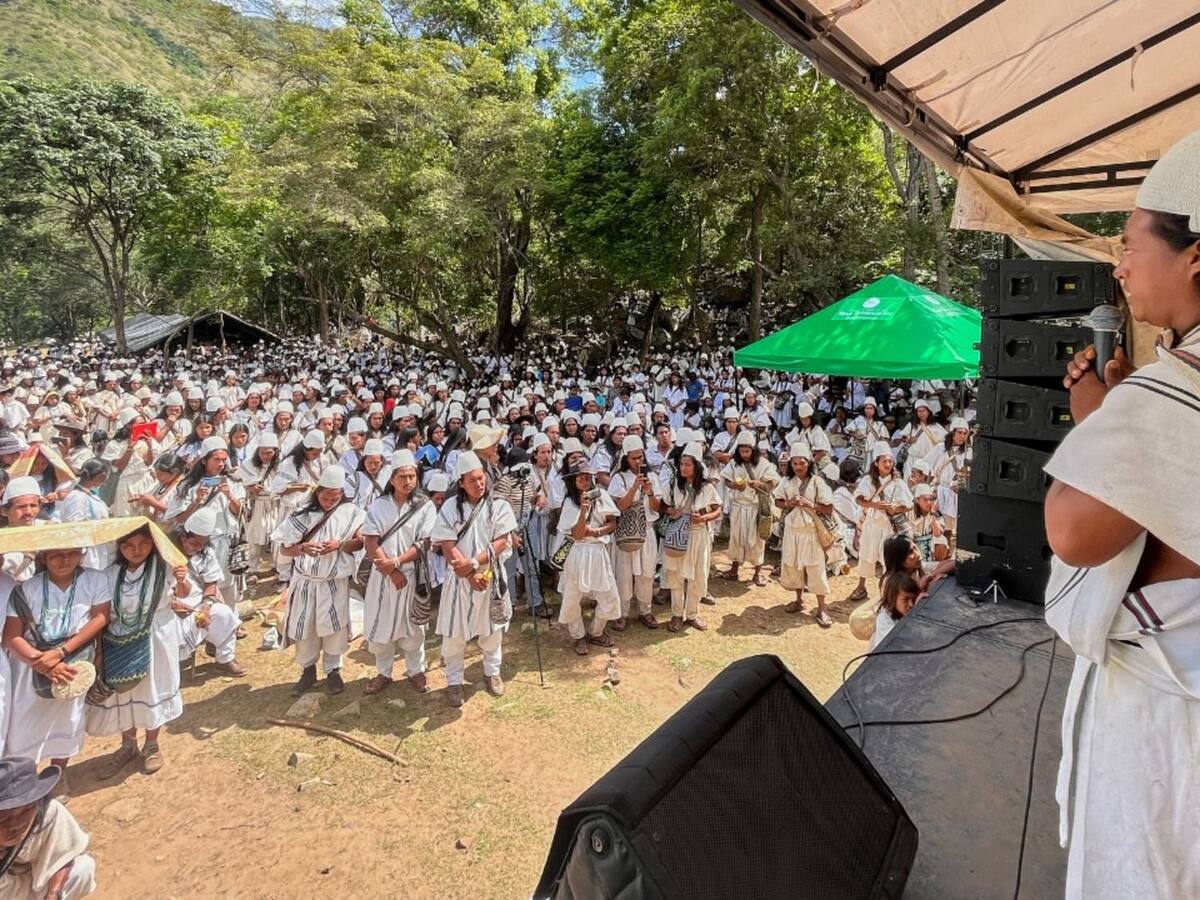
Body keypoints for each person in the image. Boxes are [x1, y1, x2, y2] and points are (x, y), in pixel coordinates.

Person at [1041, 129, 1200, 899]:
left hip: (1169, 730)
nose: (1120, 267)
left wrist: (1097, 418)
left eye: (1132, 244)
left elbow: (1074, 530)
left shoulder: (1183, 384)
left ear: (1194, 257)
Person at [86, 525, 192, 778]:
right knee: (124, 689)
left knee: (152, 687)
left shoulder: (163, 567)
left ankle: (152, 744)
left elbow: (183, 593)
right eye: (129, 546)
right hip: (119, 638)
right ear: (120, 548)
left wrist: (182, 579)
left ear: (152, 544)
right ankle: (128, 744)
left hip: (156, 635)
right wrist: (100, 650)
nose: (137, 551)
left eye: (143, 544)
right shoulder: (109, 574)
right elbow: (103, 611)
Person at [3, 547, 111, 791]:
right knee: (24, 725)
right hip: (30, 667)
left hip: (73, 662)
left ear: (81, 553)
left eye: (72, 553)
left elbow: (100, 618)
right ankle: (26, 784)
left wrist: (61, 653)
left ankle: (58, 776)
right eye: (56, 555)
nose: (65, 560)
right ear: (44, 557)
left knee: (68, 719)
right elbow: (11, 636)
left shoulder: (95, 580)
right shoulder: (26, 589)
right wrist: (42, 663)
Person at [432, 451, 515, 708]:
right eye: (472, 480)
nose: (479, 484)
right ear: (461, 483)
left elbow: (501, 541)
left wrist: (475, 564)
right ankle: (454, 680)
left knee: (492, 630)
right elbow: (447, 544)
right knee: (454, 633)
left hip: (489, 576)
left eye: (481, 478)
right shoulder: (449, 507)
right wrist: (468, 573)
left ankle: (492, 672)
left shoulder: (499, 505)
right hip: (459, 579)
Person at [274, 466, 365, 696]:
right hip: (306, 582)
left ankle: (333, 670)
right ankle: (308, 670)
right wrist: (303, 548)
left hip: (334, 581)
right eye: (325, 498)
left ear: (341, 494)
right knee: (306, 626)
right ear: (317, 493)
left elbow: (361, 542)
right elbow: (285, 550)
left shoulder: (352, 513)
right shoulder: (302, 514)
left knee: (334, 627)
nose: (329, 503)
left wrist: (340, 545)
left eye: (334, 499)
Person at [361, 450, 437, 695]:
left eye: (412, 476)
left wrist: (397, 562)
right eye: (402, 476)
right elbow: (370, 541)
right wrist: (391, 570)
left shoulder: (425, 506)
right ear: (392, 479)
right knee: (382, 623)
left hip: (412, 574)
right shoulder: (379, 505)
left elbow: (425, 542)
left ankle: (416, 671)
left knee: (414, 626)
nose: (408, 481)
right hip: (383, 575)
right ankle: (383, 672)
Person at [0, 757, 96, 899]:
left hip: (35, 881)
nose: (17, 824)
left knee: (82, 869)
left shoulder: (48, 811)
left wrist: (53, 894)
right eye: (3, 818)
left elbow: (64, 856)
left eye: (26, 810)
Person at [554, 463, 619, 655]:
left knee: (609, 595)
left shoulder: (602, 495)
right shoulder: (570, 502)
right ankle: (578, 636)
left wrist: (596, 532)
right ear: (573, 481)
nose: (585, 482)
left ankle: (595, 632)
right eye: (580, 478)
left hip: (598, 551)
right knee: (572, 597)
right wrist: (583, 511)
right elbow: (577, 534)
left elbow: (612, 522)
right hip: (577, 552)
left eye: (588, 478)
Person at [172, 509, 246, 679]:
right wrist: (172, 604)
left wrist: (205, 607)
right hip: (170, 606)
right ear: (183, 537)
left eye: (202, 544)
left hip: (198, 604)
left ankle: (224, 659)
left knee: (224, 614)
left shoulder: (206, 553)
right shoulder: (166, 553)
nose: (199, 548)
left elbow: (211, 584)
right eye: (195, 543)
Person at [662, 442, 721, 633]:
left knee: (697, 575)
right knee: (676, 576)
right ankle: (676, 614)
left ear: (696, 466)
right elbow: (663, 504)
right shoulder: (674, 485)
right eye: (681, 464)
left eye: (688, 464)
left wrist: (703, 518)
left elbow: (717, 509)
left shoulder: (707, 487)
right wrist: (671, 510)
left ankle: (693, 614)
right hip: (678, 534)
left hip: (698, 535)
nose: (683, 468)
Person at [774, 443, 835, 627]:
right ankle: (799, 599)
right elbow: (777, 501)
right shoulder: (786, 482)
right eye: (795, 464)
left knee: (816, 568)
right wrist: (789, 503)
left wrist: (811, 505)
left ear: (809, 463)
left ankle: (822, 608)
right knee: (794, 566)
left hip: (811, 532)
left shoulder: (817, 482)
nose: (798, 467)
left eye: (802, 463)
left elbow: (829, 508)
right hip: (792, 531)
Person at [607, 434, 662, 630]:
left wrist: (650, 492)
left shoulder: (652, 477)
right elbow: (620, 507)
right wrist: (634, 488)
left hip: (647, 531)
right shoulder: (619, 478)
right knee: (624, 574)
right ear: (626, 458)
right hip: (626, 532)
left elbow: (657, 507)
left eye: (641, 457)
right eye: (634, 458)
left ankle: (645, 611)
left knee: (647, 573)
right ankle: (622, 613)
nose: (638, 461)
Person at [847, 442, 912, 602]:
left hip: (889, 526)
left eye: (890, 461)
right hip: (872, 524)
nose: (888, 464)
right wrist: (875, 505)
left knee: (888, 559)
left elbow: (909, 505)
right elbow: (858, 499)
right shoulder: (868, 480)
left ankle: (887, 590)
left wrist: (895, 508)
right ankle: (861, 587)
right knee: (866, 555)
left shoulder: (898, 482)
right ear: (876, 463)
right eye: (884, 461)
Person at [720, 431, 778, 586]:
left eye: (747, 451)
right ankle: (734, 570)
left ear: (753, 450)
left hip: (755, 507)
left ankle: (757, 573)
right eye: (742, 451)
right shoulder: (734, 463)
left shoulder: (763, 464)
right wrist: (735, 485)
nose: (744, 454)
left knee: (758, 541)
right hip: (739, 507)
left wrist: (759, 484)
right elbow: (726, 480)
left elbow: (773, 482)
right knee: (736, 538)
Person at [870, 572, 919, 651]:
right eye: (905, 599)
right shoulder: (884, 619)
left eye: (913, 599)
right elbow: (902, 640)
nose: (911, 604)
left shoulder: (903, 611)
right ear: (892, 599)